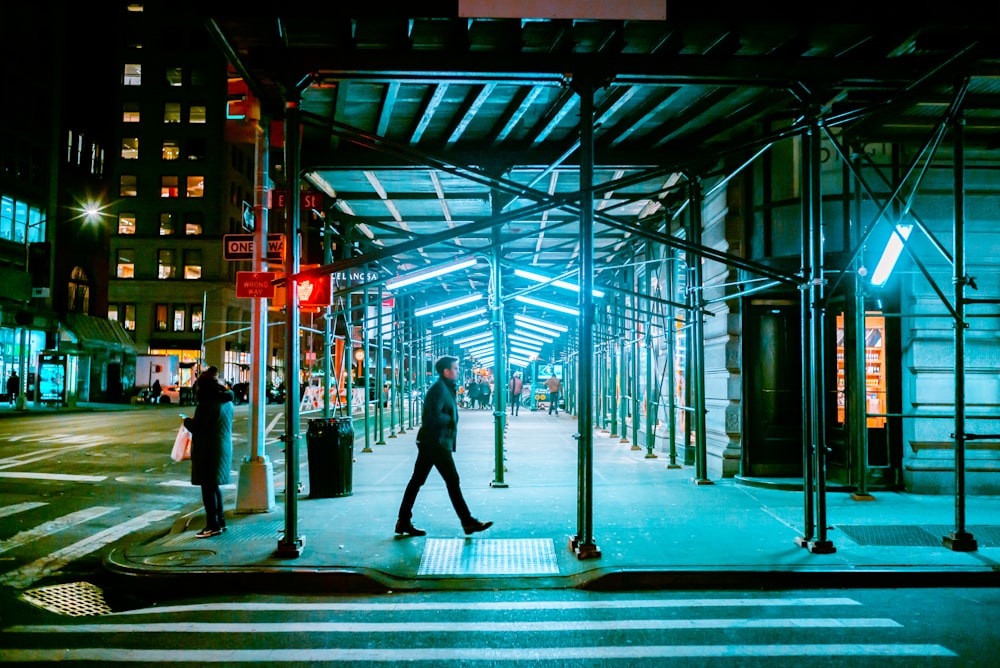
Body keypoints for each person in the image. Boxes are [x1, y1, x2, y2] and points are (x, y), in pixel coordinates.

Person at [395, 355, 492, 537]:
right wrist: (450, 420)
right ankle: (468, 522)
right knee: (452, 481)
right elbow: (431, 417)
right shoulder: (439, 389)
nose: (457, 371)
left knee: (417, 481)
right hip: (436, 443)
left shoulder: (445, 388)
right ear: (446, 371)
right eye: (455, 368)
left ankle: (403, 521)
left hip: (433, 442)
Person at [182, 366, 234, 538]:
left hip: (209, 449)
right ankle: (220, 522)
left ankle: (212, 524)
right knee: (214, 486)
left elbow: (199, 426)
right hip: (221, 447)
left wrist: (187, 422)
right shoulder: (225, 400)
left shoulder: (208, 403)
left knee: (208, 488)